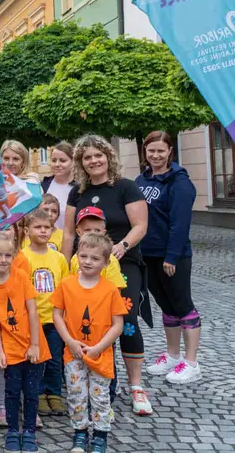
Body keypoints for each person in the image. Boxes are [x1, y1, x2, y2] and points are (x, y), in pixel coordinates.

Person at [62, 134, 152, 416]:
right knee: (86, 320)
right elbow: (67, 232)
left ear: (108, 157)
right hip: (86, 263)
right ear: (81, 163)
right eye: (87, 157)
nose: (93, 161)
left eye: (98, 155)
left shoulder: (125, 187)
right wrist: (65, 266)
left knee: (125, 321)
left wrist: (122, 246)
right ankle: (94, 380)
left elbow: (140, 226)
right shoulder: (78, 191)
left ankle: (136, 387)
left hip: (121, 263)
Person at [51, 233, 127, 453]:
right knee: (76, 394)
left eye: (94, 258)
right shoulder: (66, 285)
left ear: (105, 262)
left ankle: (100, 436)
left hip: (100, 355)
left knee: (100, 396)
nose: (87, 262)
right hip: (73, 353)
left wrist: (99, 348)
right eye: (83, 256)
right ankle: (80, 433)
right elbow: (57, 315)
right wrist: (69, 341)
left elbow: (117, 325)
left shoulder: (110, 289)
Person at [136, 131, 201, 384]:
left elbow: (180, 224)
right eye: (151, 150)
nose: (155, 155)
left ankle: (192, 362)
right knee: (166, 306)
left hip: (172, 256)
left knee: (183, 305)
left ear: (170, 152)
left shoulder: (179, 182)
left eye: (161, 151)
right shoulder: (141, 180)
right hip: (148, 254)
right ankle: (173, 356)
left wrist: (172, 257)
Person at [0, 231, 51, 453]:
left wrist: (35, 345)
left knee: (30, 392)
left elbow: (32, 311)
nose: (3, 259)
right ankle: (12, 430)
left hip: (32, 344)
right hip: (9, 347)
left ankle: (28, 430)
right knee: (11, 392)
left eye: (7, 255)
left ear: (14, 256)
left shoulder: (20, 276)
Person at [21, 208, 69, 417]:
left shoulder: (58, 258)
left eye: (46, 227)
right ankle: (38, 393)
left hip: (55, 317)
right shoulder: (23, 257)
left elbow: (64, 286)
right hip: (33, 318)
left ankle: (54, 393)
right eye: (37, 227)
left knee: (55, 358)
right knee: (36, 358)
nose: (43, 231)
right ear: (27, 230)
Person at [41, 142, 76, 230]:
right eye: (54, 160)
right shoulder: (43, 186)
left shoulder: (79, 188)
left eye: (63, 160)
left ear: (73, 162)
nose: (57, 164)